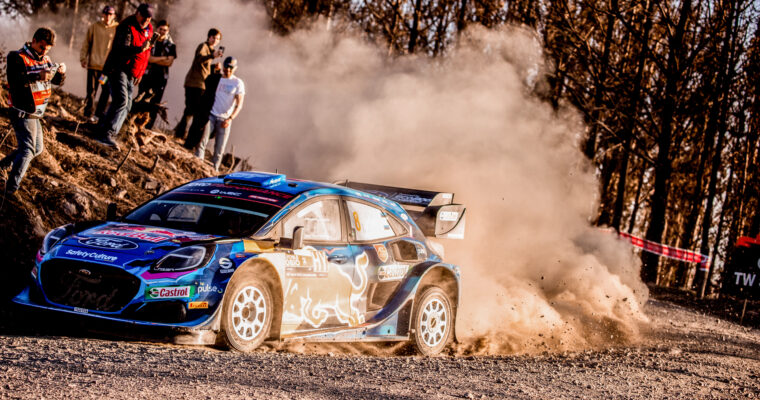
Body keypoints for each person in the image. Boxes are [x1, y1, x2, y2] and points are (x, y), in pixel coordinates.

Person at [1, 28, 66, 195]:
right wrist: (37, 76)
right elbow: (15, 80)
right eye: (41, 47)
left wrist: (60, 74)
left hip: (36, 112)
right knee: (27, 150)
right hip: (21, 111)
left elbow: (55, 81)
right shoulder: (17, 57)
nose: (44, 52)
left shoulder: (46, 59)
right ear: (34, 41)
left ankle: (2, 166)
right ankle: (10, 190)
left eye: (47, 49)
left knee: (37, 149)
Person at [94, 3, 154, 149]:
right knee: (120, 100)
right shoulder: (127, 26)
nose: (146, 20)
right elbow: (122, 50)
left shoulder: (149, 29)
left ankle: (106, 130)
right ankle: (106, 134)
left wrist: (140, 72)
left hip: (132, 72)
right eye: (144, 17)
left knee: (128, 105)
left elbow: (146, 54)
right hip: (118, 67)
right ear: (137, 13)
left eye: (149, 18)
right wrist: (140, 48)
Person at [195, 56, 245, 172]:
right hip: (211, 115)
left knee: (219, 148)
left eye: (231, 68)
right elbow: (205, 81)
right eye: (226, 67)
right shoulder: (217, 78)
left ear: (235, 68)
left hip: (225, 119)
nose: (228, 70)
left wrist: (230, 118)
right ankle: (197, 164)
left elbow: (239, 104)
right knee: (202, 141)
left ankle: (214, 170)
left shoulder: (237, 83)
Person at [174, 28, 223, 139]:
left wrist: (214, 67)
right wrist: (212, 56)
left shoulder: (211, 50)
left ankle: (180, 132)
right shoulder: (203, 46)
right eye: (213, 37)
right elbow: (199, 59)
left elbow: (204, 67)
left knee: (192, 110)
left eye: (218, 39)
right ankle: (180, 133)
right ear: (209, 37)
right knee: (190, 109)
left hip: (201, 83)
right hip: (194, 82)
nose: (215, 40)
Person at [135, 19, 176, 129]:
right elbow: (148, 58)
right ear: (157, 29)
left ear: (168, 31)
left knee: (155, 103)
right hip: (147, 75)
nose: (162, 32)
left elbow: (170, 62)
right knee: (141, 99)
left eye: (165, 30)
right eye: (160, 29)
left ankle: (147, 127)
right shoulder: (150, 41)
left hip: (161, 78)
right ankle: (135, 123)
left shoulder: (171, 45)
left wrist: (155, 59)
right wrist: (163, 58)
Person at [80, 5, 117, 122]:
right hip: (93, 65)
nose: (108, 16)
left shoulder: (116, 28)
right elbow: (86, 43)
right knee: (91, 91)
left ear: (114, 16)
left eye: (110, 14)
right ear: (103, 14)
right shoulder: (94, 27)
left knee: (105, 91)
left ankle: (99, 114)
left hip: (106, 68)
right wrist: (83, 58)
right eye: (106, 14)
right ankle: (88, 113)